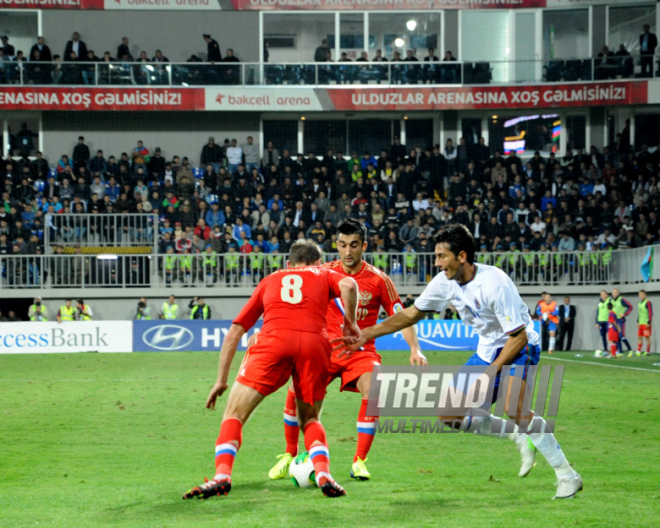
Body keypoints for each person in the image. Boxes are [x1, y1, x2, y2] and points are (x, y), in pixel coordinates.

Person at [334, 224, 583, 499]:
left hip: (520, 345)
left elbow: (518, 337)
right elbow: (411, 315)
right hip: (488, 348)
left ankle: (567, 476)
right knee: (449, 414)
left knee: (516, 408)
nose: (437, 263)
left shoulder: (495, 283)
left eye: (442, 256)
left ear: (461, 256)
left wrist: (488, 374)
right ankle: (519, 434)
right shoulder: (444, 282)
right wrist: (364, 334)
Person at [182, 239, 360, 499]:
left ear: (288, 264)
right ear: (318, 263)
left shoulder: (271, 279)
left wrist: (221, 380)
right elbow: (349, 284)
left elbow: (235, 332)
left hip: (274, 342)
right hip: (314, 344)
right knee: (310, 418)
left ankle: (222, 476)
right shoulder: (324, 274)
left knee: (234, 413)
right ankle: (323, 474)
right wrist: (350, 324)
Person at [267, 219, 426, 482]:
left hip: (360, 352)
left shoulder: (378, 280)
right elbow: (290, 298)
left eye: (354, 245)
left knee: (375, 386)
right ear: (337, 246)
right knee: (297, 393)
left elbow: (401, 315)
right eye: (342, 245)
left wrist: (415, 349)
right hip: (324, 349)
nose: (348, 251)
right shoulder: (322, 272)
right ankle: (289, 454)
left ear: (364, 246)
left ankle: (359, 462)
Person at [611, 288, 633, 353]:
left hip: (620, 320)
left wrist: (625, 314)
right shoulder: (611, 300)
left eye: (616, 292)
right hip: (614, 321)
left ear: (618, 293)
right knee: (616, 337)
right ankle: (620, 351)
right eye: (613, 292)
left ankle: (630, 349)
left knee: (621, 336)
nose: (614, 294)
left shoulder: (621, 300)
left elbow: (630, 306)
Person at [636, 289, 652, 356]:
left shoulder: (647, 302)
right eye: (640, 294)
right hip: (641, 323)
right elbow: (639, 313)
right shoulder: (639, 303)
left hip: (646, 323)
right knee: (639, 337)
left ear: (645, 295)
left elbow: (650, 312)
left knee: (647, 337)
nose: (641, 296)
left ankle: (647, 351)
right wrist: (637, 321)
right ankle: (638, 351)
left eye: (643, 294)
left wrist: (648, 322)